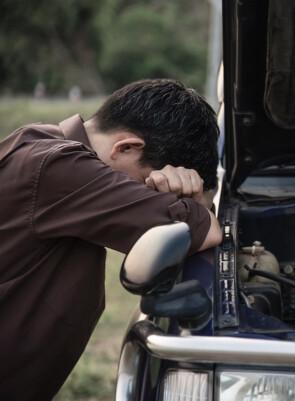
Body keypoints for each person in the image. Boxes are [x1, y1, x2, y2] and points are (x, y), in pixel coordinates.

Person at [0, 79, 222, 401]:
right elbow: (207, 230)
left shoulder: (39, 141)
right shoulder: (60, 168)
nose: (145, 199)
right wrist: (196, 204)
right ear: (125, 148)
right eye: (149, 187)